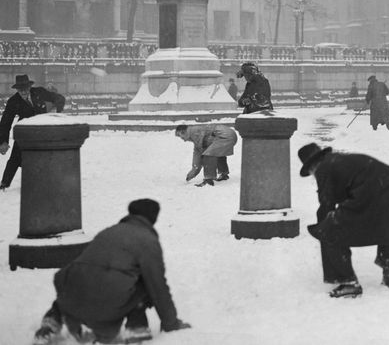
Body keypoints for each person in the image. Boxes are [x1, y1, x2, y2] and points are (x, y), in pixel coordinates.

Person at [32, 199, 191, 345]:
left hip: (69, 292)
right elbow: (157, 286)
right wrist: (171, 323)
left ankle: (51, 322)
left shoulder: (108, 232)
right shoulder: (148, 241)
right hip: (109, 297)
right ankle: (137, 327)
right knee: (144, 283)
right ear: (153, 218)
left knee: (81, 279)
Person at [298, 143, 389, 299]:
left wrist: (322, 228)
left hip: (375, 189)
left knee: (329, 229)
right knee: (386, 224)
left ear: (312, 165)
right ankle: (388, 274)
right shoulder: (338, 160)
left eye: (310, 171)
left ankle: (348, 282)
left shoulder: (324, 168)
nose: (312, 174)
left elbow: (326, 205)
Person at [1, 74, 66, 190]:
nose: (24, 92)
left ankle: (51, 181)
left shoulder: (39, 92)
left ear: (30, 87)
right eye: (21, 90)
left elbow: (60, 98)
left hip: (43, 130)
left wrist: (57, 110)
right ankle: (4, 184)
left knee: (47, 156)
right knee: (15, 158)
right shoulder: (13, 101)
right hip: (25, 132)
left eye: (26, 89)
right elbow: (5, 122)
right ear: (17, 90)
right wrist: (3, 141)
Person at [174, 123, 238, 187]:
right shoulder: (195, 131)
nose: (183, 140)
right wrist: (194, 170)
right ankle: (224, 174)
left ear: (183, 132)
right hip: (229, 134)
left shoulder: (194, 133)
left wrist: (193, 172)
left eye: (181, 137)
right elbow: (197, 150)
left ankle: (208, 179)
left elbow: (199, 154)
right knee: (216, 151)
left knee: (208, 155)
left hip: (224, 136)